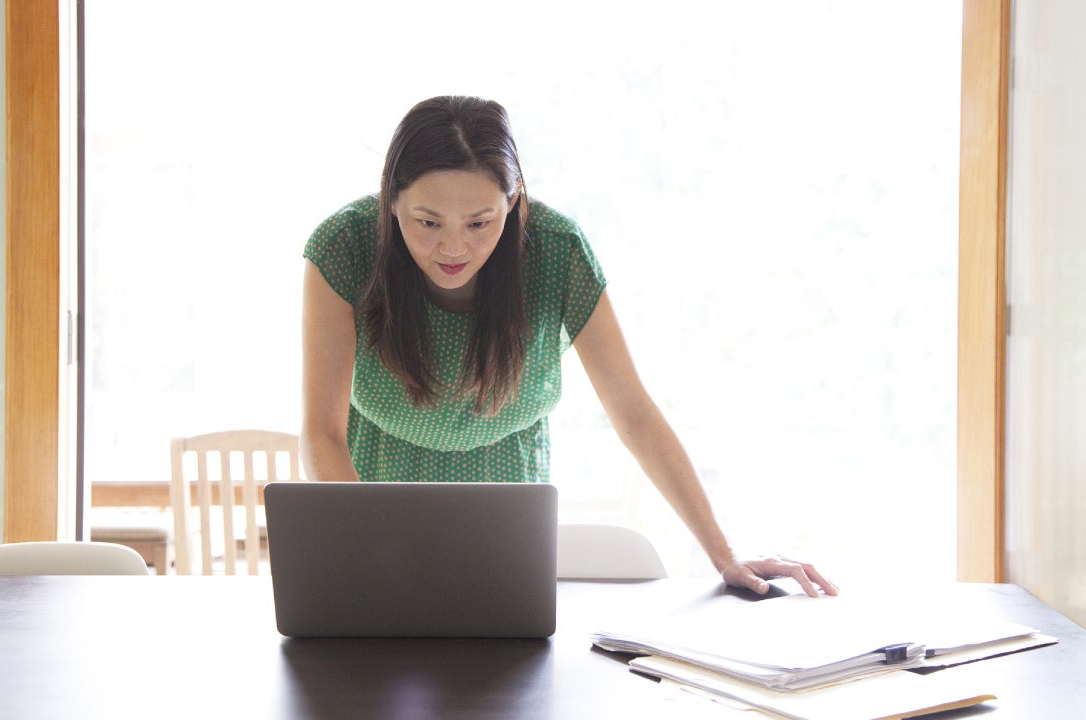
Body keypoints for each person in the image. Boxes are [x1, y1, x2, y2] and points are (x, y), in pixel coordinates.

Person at [301, 95, 837, 597]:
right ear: (390, 201)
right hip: (369, 490)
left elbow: (634, 414)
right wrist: (370, 548)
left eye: (480, 222)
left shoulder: (556, 252)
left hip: (508, 499)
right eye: (428, 222)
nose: (454, 246)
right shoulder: (343, 246)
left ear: (513, 202)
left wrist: (725, 554)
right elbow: (322, 429)